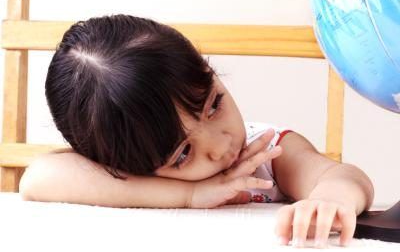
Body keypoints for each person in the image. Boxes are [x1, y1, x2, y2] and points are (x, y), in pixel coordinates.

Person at [19, 14, 374, 249]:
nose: (221, 146)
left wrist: (330, 197)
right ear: (126, 164)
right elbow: (37, 178)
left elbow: (342, 175)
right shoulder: (132, 170)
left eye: (214, 104)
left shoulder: (265, 154)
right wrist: (188, 196)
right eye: (183, 153)